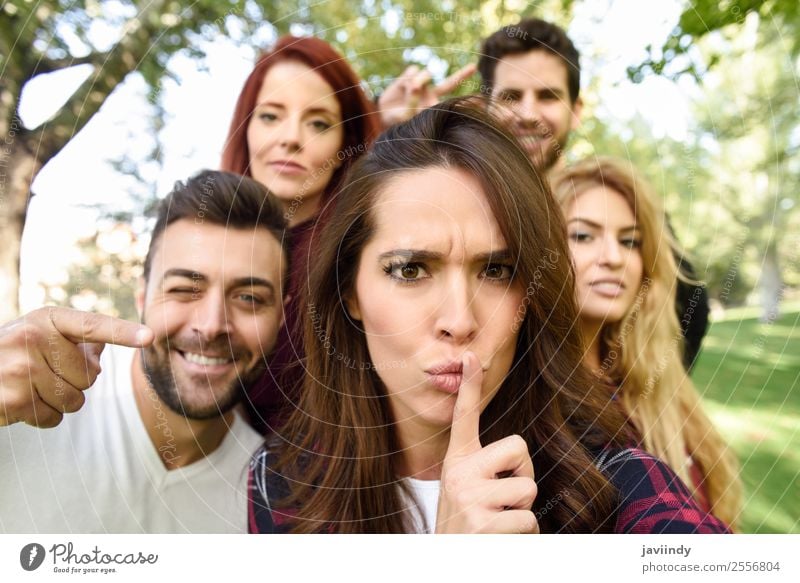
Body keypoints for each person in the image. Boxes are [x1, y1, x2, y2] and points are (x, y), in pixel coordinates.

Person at [247, 99, 729, 534]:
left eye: (497, 270)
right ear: (350, 290)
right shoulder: (278, 487)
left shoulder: (613, 483)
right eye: (411, 269)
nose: (458, 320)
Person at [379, 18, 709, 370]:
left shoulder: (614, 203)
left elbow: (688, 307)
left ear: (577, 111)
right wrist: (405, 137)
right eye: (511, 96)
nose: (528, 113)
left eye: (548, 96)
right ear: (483, 107)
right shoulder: (459, 197)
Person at [0, 171, 286, 533]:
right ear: (142, 295)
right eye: (184, 289)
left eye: (249, 298)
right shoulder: (29, 398)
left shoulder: (274, 503)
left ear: (281, 315)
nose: (212, 325)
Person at [551, 157, 742, 528]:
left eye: (630, 241)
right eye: (583, 235)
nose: (613, 258)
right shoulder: (544, 401)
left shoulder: (655, 377)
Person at [221, 35, 382, 433]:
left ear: (347, 142)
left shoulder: (366, 257)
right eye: (271, 116)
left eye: (318, 123)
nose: (291, 137)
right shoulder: (200, 242)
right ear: (246, 129)